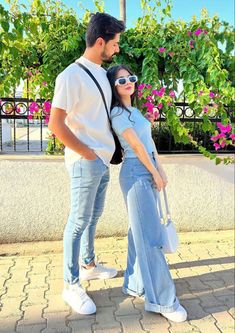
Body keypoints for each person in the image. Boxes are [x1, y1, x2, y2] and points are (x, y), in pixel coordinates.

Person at [48, 13, 125, 315]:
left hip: (102, 160)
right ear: (100, 41)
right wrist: (89, 153)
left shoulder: (100, 74)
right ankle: (71, 284)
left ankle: (89, 266)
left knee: (92, 218)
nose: (117, 49)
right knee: (78, 222)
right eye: (115, 43)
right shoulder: (70, 75)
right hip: (85, 161)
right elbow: (56, 123)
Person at [106, 64, 188, 322]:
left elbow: (150, 145)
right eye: (121, 81)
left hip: (147, 170)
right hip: (135, 173)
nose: (128, 82)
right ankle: (163, 300)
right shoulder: (117, 113)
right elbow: (137, 147)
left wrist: (159, 169)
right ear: (113, 86)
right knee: (151, 237)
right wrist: (153, 172)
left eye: (130, 78)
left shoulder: (135, 111)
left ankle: (135, 283)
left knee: (138, 232)